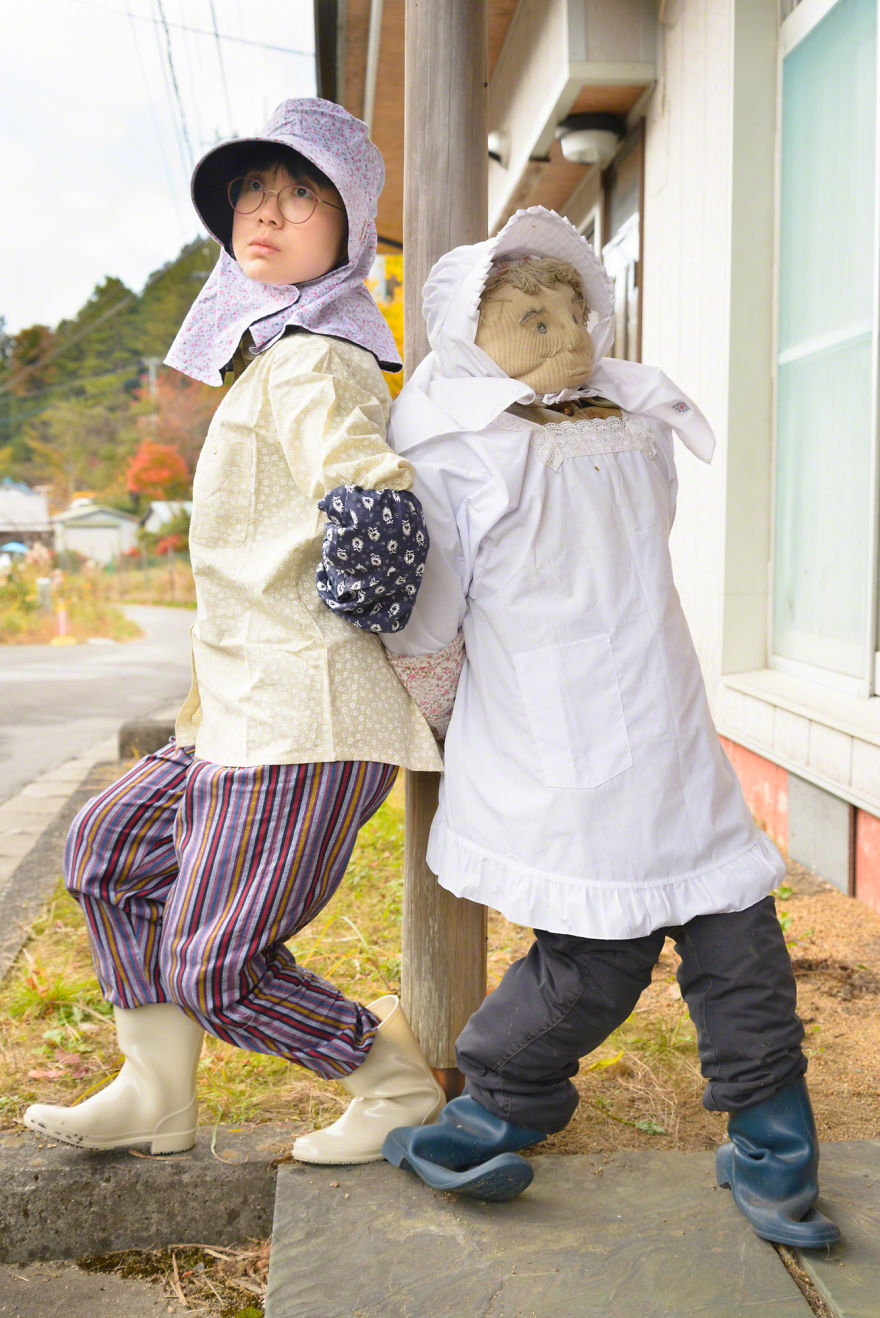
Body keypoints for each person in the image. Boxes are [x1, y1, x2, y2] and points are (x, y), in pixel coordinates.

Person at [377, 206, 839, 1249]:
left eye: (574, 315)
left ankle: (770, 1142)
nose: (570, 336)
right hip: (555, 733)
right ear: (467, 342)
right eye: (530, 321)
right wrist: (446, 711)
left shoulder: (631, 422)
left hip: (661, 718)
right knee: (598, 952)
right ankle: (497, 1107)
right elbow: (428, 609)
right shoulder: (459, 450)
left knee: (735, 932)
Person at [22, 98, 445, 1166]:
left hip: (303, 709)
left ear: (348, 226)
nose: (267, 211)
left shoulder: (316, 360)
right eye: (252, 191)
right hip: (236, 706)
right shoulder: (274, 351)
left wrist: (344, 633)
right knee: (109, 845)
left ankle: (392, 1080)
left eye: (301, 193)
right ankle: (155, 1091)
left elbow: (377, 497)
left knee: (220, 963)